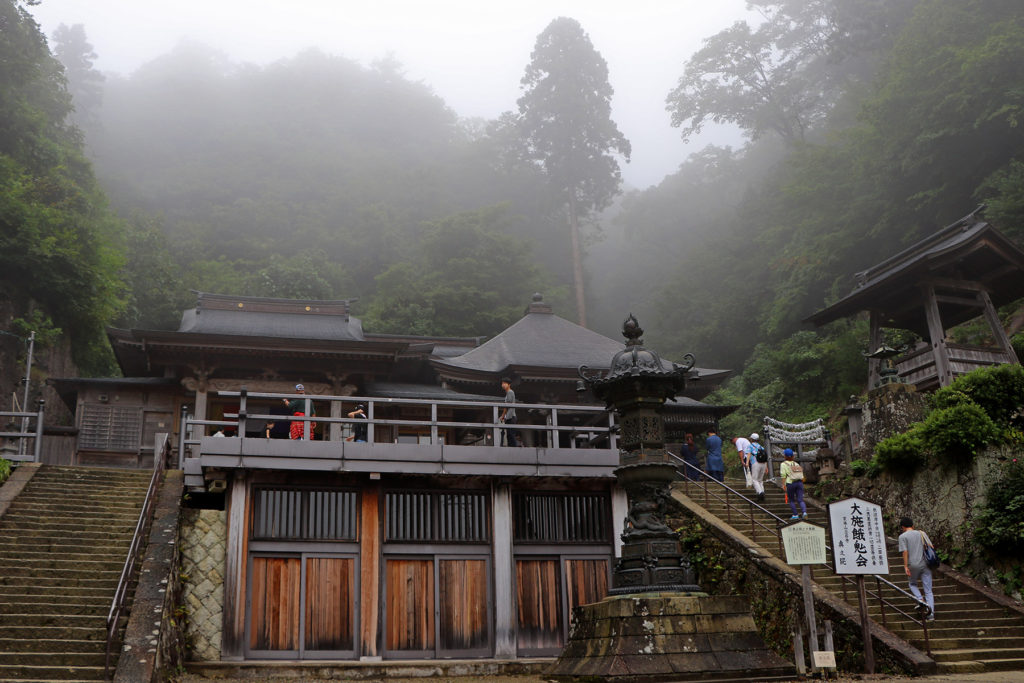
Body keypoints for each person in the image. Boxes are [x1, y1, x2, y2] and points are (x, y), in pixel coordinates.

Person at [898, 517, 936, 621]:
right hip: (926, 564)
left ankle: (920, 600)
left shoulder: (902, 537)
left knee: (912, 584)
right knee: (928, 590)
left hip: (913, 564)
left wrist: (905, 566)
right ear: (912, 525)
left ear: (903, 527)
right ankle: (931, 614)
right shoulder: (921, 533)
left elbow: (905, 552)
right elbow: (931, 546)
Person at [779, 448, 806, 519]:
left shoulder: (783, 464)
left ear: (785, 456)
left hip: (790, 483)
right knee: (800, 499)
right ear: (792, 456)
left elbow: (783, 475)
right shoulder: (796, 463)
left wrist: (783, 485)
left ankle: (795, 514)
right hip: (799, 482)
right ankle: (804, 512)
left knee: (791, 500)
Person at [499, 377, 521, 447]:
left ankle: (513, 448)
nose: (503, 385)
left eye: (505, 383)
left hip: (511, 416)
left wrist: (502, 416)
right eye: (502, 383)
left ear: (509, 384)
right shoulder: (508, 393)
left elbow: (507, 406)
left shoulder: (510, 392)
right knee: (509, 434)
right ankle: (511, 448)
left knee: (511, 434)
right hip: (509, 416)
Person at [747, 433, 769, 503]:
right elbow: (765, 457)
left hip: (755, 463)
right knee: (760, 480)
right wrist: (766, 467)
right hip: (763, 464)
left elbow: (749, 454)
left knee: (754, 480)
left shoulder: (750, 446)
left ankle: (760, 493)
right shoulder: (761, 447)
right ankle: (762, 491)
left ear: (751, 439)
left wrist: (747, 462)